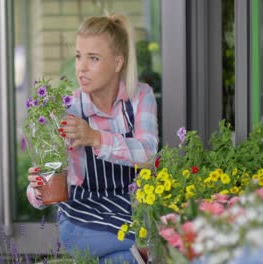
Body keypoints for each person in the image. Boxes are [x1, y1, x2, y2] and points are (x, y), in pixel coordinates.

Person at [27, 14, 158, 263]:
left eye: (93, 58)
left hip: (131, 210)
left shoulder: (141, 97)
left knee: (128, 258)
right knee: (153, 244)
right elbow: (50, 174)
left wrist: (96, 138)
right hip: (82, 219)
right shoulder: (68, 108)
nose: (81, 67)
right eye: (78, 56)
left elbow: (149, 154)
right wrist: (37, 188)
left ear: (118, 63)